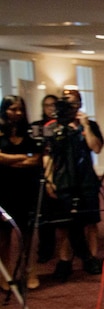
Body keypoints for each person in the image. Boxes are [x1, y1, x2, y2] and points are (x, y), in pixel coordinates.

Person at [46, 89, 104, 281]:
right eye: (67, 104)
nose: (71, 107)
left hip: (86, 178)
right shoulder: (52, 127)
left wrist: (85, 125)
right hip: (63, 180)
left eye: (74, 103)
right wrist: (49, 179)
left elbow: (96, 147)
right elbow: (47, 155)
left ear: (79, 105)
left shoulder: (90, 125)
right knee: (64, 224)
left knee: (90, 221)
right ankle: (65, 260)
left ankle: (92, 258)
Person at [0, 95, 41, 290]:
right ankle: (4, 276)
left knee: (27, 234)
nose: (16, 113)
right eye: (12, 109)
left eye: (19, 109)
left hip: (26, 188)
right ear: (4, 110)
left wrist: (11, 160)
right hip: (3, 188)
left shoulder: (29, 133)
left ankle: (29, 272)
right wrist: (22, 158)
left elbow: (35, 159)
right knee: (3, 237)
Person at [32, 94, 59, 263]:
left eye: (53, 105)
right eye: (47, 105)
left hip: (63, 173)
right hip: (42, 174)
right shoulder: (37, 126)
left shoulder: (64, 126)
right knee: (44, 215)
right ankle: (45, 249)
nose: (51, 108)